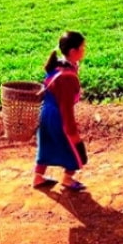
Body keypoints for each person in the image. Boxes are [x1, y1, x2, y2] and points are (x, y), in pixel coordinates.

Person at [34, 31, 88, 191]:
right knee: (73, 149)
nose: (84, 51)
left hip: (45, 114)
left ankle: (37, 178)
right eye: (82, 48)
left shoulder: (58, 66)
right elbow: (66, 107)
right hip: (58, 116)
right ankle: (67, 179)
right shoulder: (67, 77)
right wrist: (72, 130)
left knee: (46, 145)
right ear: (73, 52)